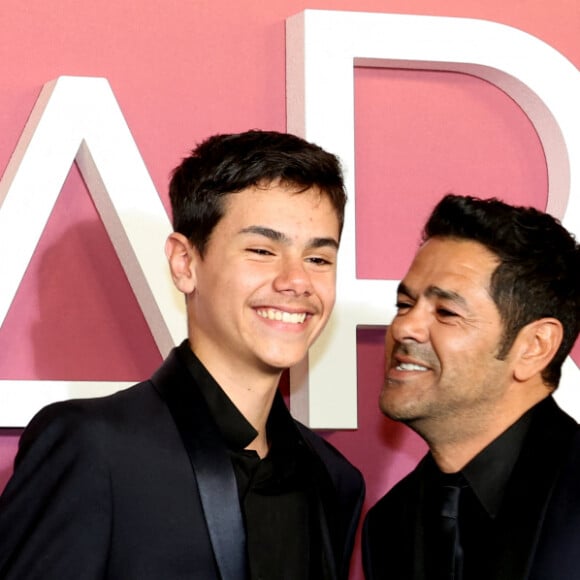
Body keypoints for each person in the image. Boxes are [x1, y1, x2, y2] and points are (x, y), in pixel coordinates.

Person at [0, 130, 364, 580]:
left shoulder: (335, 479)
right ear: (184, 263)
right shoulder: (94, 449)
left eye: (318, 259)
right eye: (262, 251)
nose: (296, 281)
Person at [363, 194, 580, 580]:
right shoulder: (388, 524)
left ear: (534, 347)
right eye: (404, 304)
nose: (404, 328)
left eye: (446, 312)